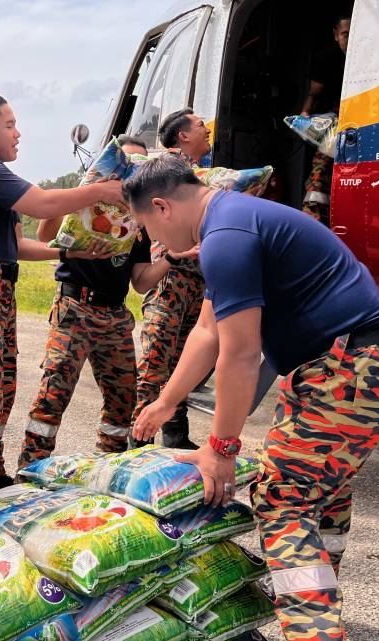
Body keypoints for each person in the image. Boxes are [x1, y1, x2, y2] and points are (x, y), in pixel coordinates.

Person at [127, 153, 379, 641]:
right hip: (361, 363)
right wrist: (165, 401)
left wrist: (221, 449)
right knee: (321, 485)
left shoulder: (227, 238)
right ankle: (318, 596)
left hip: (355, 366)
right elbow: (208, 333)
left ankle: (313, 627)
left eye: (149, 230)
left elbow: (242, 356)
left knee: (281, 499)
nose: (157, 243)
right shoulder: (232, 222)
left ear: (161, 206)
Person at [0, 93, 125, 501]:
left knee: (1, 388)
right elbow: (43, 203)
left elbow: (18, 245)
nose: (18, 132)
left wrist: (69, 251)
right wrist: (100, 191)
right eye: (9, 125)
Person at [18, 136, 162, 469]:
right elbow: (45, 235)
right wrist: (88, 192)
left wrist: (173, 258)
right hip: (75, 308)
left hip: (114, 315)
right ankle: (30, 470)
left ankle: (106, 469)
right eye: (126, 163)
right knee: (53, 395)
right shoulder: (85, 199)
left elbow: (140, 282)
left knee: (122, 402)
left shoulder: (137, 219)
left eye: (139, 166)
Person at [129, 109, 211, 450]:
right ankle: (138, 444)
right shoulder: (165, 173)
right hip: (171, 280)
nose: (207, 129)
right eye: (199, 125)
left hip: (194, 281)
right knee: (155, 364)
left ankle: (176, 436)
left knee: (181, 363)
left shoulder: (202, 176)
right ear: (182, 135)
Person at [300, 13, 350, 225]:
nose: (349, 40)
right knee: (320, 169)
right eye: (345, 34)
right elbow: (314, 92)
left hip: (358, 117)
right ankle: (312, 217)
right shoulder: (326, 59)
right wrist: (304, 115)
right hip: (332, 122)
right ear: (335, 35)